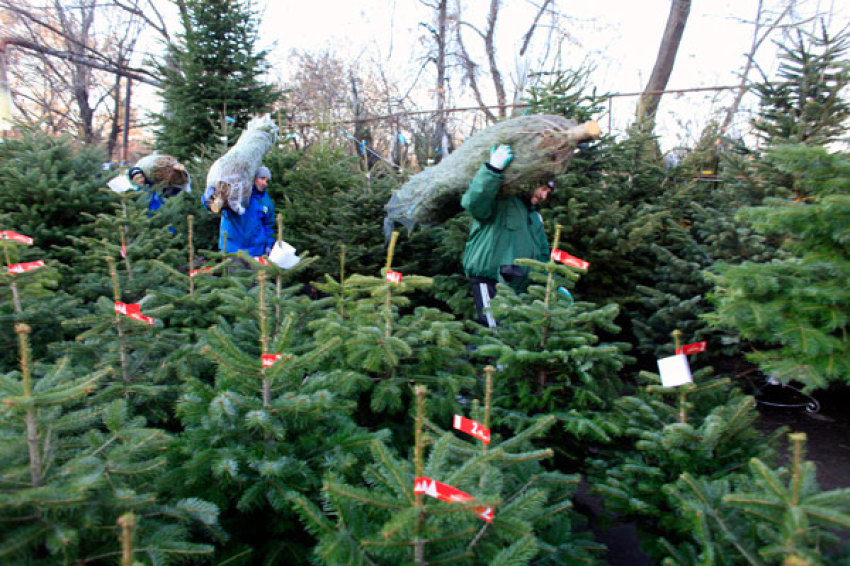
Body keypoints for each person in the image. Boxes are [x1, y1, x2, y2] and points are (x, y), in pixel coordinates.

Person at [461, 144, 553, 327]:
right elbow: (473, 203)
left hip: (520, 286)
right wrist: (492, 170)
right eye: (542, 189)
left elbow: (542, 255)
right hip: (490, 280)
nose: (544, 196)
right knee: (494, 333)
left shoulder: (534, 216)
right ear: (532, 183)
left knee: (510, 337)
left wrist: (553, 286)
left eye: (548, 192)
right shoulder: (501, 201)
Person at [202, 166, 275, 256]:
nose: (265, 183)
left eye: (267, 181)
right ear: (254, 178)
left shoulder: (266, 202)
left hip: (256, 252)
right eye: (262, 178)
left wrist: (269, 245)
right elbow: (212, 205)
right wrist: (208, 195)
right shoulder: (237, 192)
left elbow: (269, 226)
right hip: (233, 249)